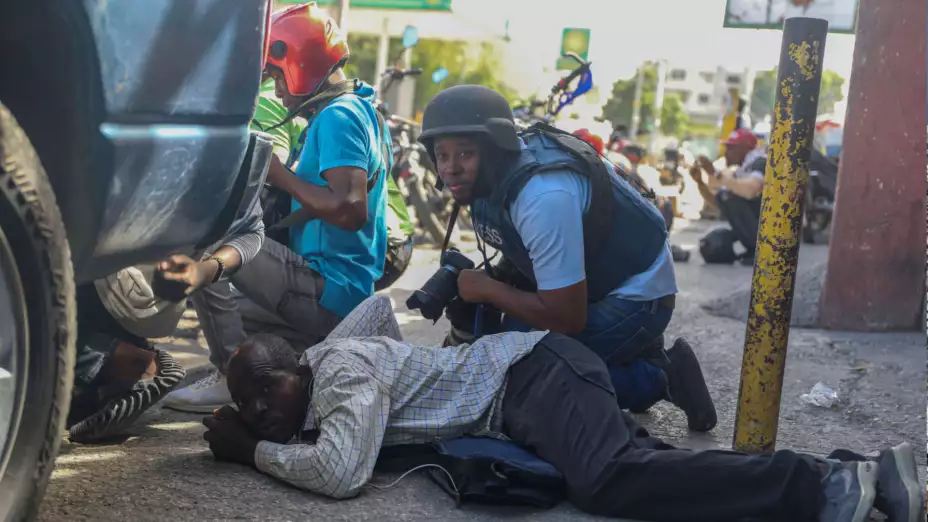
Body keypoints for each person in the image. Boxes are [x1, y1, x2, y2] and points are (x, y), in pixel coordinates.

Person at [201, 295, 924, 522]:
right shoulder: (333, 355)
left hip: (531, 375)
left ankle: (824, 489)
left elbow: (340, 471)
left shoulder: (336, 378)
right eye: (248, 403)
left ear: (301, 369)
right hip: (525, 384)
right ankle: (859, 478)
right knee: (643, 468)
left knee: (608, 479)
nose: (261, 408)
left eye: (268, 390)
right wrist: (411, 374)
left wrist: (251, 452)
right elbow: (379, 311)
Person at [415, 85, 716, 431]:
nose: (450, 169)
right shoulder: (489, 180)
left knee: (524, 381)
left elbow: (567, 317)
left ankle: (662, 375)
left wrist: (487, 290)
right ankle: (630, 355)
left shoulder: (542, 196)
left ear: (495, 149)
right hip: (593, 282)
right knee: (503, 348)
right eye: (442, 155)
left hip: (637, 294)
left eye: (465, 154)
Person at [163, 3, 390, 413]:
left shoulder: (339, 117)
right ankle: (263, 364)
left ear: (300, 63)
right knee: (233, 308)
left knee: (209, 239)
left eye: (275, 74)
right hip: (337, 295)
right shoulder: (355, 109)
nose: (275, 87)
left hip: (329, 290)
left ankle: (234, 377)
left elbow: (350, 210)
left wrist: (279, 174)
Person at [69, 174, 266, 441]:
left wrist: (204, 271)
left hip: (113, 279)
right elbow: (251, 229)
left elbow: (251, 229)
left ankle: (121, 361)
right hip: (126, 290)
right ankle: (111, 368)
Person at [690, 128, 766, 265]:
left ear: (745, 149)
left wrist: (715, 173)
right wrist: (700, 182)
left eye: (731, 148)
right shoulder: (743, 170)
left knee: (729, 196)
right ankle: (752, 248)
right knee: (725, 196)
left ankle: (759, 250)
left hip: (770, 225)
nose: (726, 153)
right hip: (759, 219)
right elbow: (717, 202)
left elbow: (750, 190)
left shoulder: (760, 162)